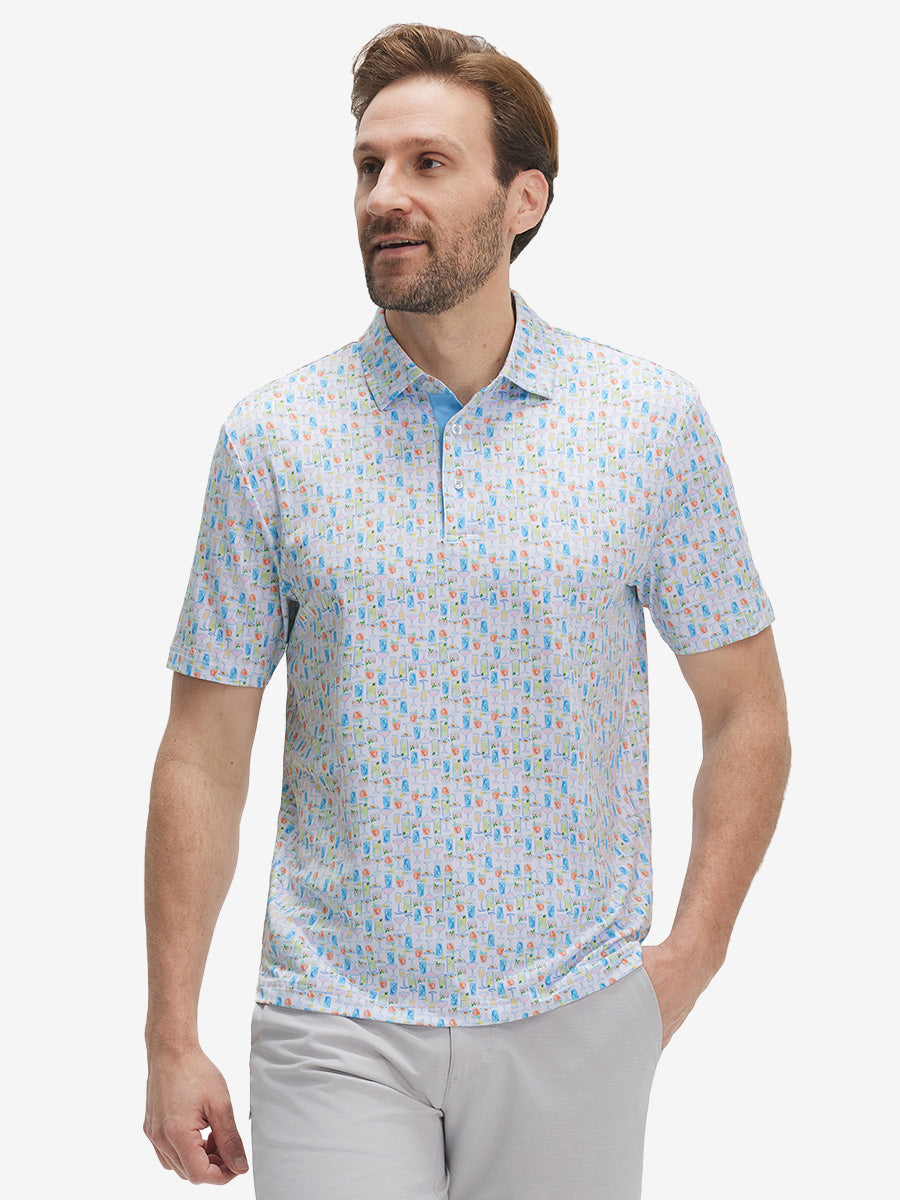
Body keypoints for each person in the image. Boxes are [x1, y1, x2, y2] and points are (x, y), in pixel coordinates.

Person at [144, 22, 791, 1200]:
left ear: (524, 198)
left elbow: (748, 712)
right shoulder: (273, 440)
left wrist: (690, 958)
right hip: (333, 1018)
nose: (384, 196)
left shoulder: (647, 423)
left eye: (428, 164)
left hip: (576, 1016)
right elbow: (202, 749)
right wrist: (170, 1033)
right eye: (368, 166)